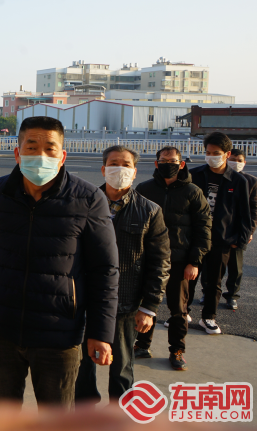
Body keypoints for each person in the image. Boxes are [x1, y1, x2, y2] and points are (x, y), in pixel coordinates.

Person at [0, 116, 119, 410]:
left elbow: (104, 271)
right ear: (17, 153)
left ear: (62, 156)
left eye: (50, 148)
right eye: (31, 147)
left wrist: (100, 333)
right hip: (1, 331)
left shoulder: (88, 199)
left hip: (59, 336)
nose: (40, 156)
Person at [74, 146, 170, 402]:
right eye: (113, 164)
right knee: (81, 365)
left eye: (126, 165)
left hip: (125, 303)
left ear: (135, 172)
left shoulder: (150, 211)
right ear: (103, 169)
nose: (119, 169)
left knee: (122, 367)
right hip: (84, 299)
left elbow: (160, 262)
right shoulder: (82, 205)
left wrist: (149, 307)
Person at [132, 146, 211, 370]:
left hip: (179, 260)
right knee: (146, 304)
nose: (168, 164)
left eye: (173, 161)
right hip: (148, 258)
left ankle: (177, 350)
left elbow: (204, 228)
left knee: (178, 309)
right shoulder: (144, 189)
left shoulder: (193, 192)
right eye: (164, 161)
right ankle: (142, 344)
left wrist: (194, 261)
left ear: (181, 164)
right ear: (156, 163)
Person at [187, 132, 251, 334]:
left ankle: (208, 317)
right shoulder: (194, 175)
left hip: (221, 240)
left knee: (214, 282)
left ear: (227, 154)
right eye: (208, 152)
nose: (211, 156)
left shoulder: (238, 181)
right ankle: (181, 313)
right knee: (188, 278)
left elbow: (244, 213)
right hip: (194, 237)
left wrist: (239, 241)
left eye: (216, 153)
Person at [222, 149, 257, 310]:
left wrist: (250, 231)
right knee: (213, 266)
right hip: (219, 228)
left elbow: (254, 210)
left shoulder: (251, 181)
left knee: (236, 267)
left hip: (239, 229)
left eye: (239, 160)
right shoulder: (220, 178)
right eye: (233, 159)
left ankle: (232, 295)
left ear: (244, 162)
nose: (235, 163)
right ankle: (209, 293)